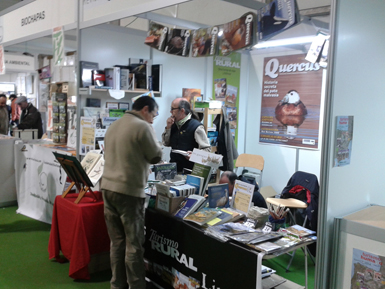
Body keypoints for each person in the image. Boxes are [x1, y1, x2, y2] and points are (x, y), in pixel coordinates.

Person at [101, 96, 162, 289]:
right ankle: (136, 286)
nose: (153, 119)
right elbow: (156, 156)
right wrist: (152, 131)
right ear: (145, 109)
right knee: (134, 245)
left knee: (117, 242)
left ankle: (117, 285)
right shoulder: (142, 127)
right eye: (153, 114)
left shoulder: (115, 125)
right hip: (129, 191)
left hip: (108, 188)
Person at [162, 98, 211, 172]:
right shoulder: (173, 124)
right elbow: (166, 143)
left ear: (182, 111)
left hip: (190, 171)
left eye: (173, 109)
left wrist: (194, 155)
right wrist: (168, 127)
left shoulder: (196, 127)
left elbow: (207, 149)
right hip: (174, 169)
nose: (170, 111)